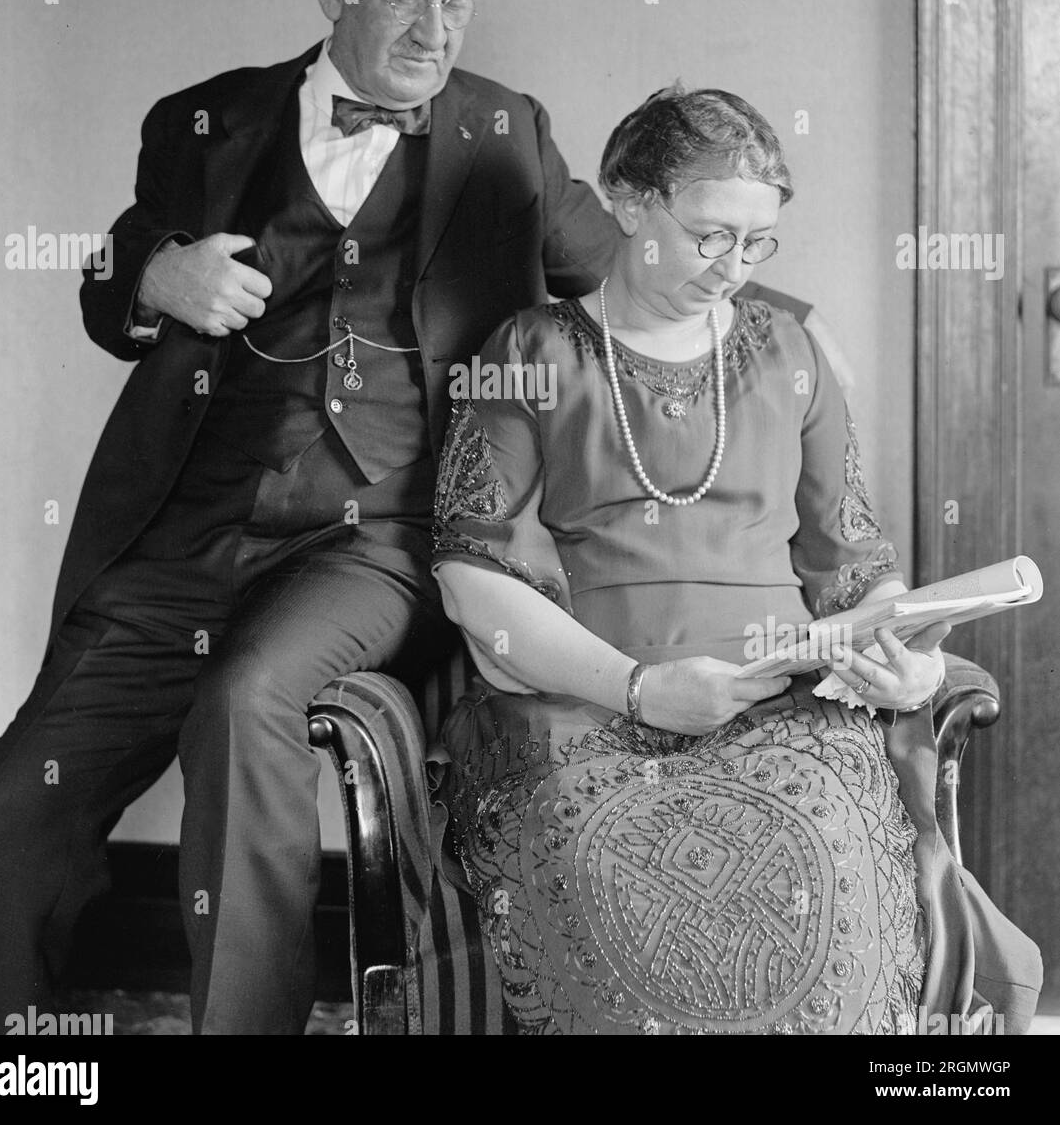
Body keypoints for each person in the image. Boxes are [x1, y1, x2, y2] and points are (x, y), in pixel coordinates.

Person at [0, 0, 620, 1036]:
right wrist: (156, 276)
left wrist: (764, 328)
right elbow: (114, 272)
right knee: (9, 802)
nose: (437, 30)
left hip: (375, 540)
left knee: (246, 695)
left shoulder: (505, 128)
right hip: (186, 533)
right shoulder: (207, 120)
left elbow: (621, 264)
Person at [432, 85, 1043, 1035]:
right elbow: (470, 573)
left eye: (757, 244)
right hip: (589, 704)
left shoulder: (787, 352)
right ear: (629, 201)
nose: (734, 268)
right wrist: (638, 689)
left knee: (826, 869)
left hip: (788, 705)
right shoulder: (531, 350)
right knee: (614, 882)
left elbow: (851, 563)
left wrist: (896, 650)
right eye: (712, 235)